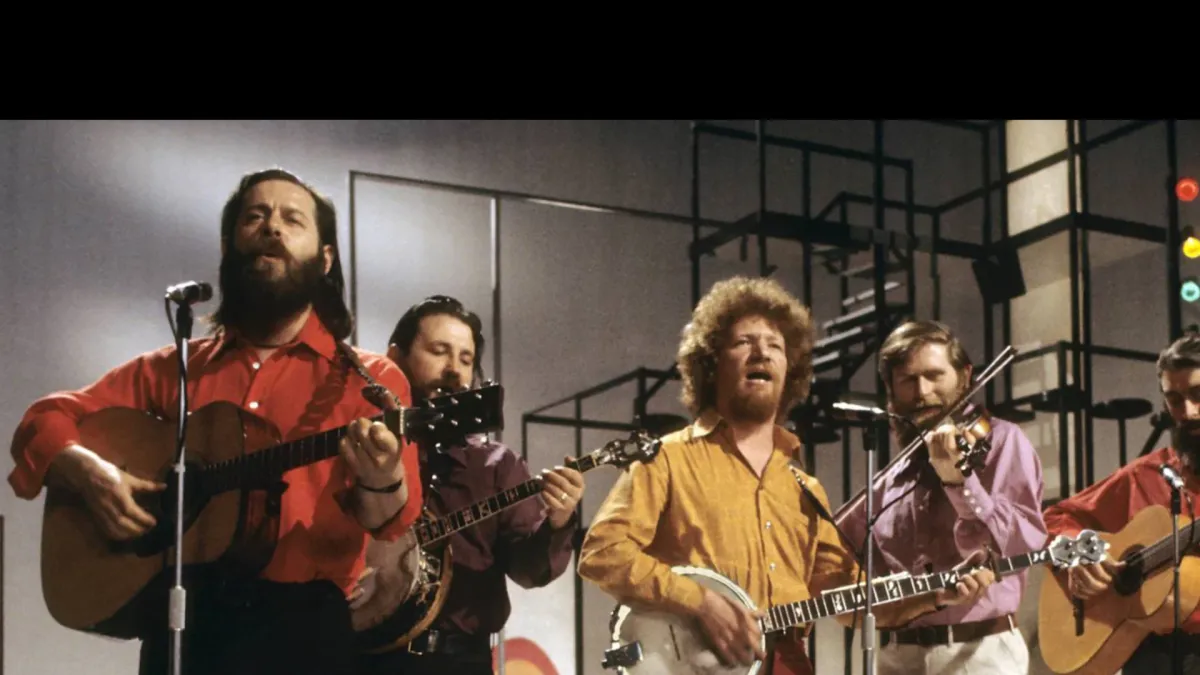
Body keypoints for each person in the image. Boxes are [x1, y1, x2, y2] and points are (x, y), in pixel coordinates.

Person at [7, 167, 424, 675]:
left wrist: (383, 478)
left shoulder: (371, 380)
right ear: (228, 247)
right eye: (255, 216)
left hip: (304, 633)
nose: (272, 227)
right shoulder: (176, 368)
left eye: (292, 219)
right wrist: (88, 472)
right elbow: (45, 418)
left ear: (325, 258)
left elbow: (390, 521)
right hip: (183, 623)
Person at [576, 277, 995, 675]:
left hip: (788, 662)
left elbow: (849, 597)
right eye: (744, 342)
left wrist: (932, 593)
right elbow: (602, 552)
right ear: (711, 365)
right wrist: (700, 602)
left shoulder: (803, 488)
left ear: (789, 371)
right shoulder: (669, 459)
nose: (761, 353)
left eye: (775, 346)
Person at [354, 295, 584, 675]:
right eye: (439, 351)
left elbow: (530, 571)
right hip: (362, 658)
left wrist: (558, 521)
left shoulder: (496, 466)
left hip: (459, 662)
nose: (454, 371)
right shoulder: (362, 449)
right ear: (394, 356)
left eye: (465, 359)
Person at [837, 320, 1047, 674]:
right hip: (897, 656)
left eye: (934, 375)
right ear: (891, 391)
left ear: (965, 376)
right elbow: (844, 559)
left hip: (977, 652)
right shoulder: (892, 477)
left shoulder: (1002, 442)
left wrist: (959, 481)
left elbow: (1018, 546)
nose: (922, 392)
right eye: (908, 380)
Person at [1042, 332, 1200, 674]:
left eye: (1198, 394)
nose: (1188, 412)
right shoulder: (1147, 475)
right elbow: (1055, 518)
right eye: (1174, 399)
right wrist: (1079, 556)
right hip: (1152, 656)